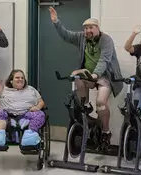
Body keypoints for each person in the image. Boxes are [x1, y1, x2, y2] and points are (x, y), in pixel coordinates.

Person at [48, 7, 124, 149]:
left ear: (97, 28)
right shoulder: (82, 37)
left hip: (105, 75)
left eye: (91, 28)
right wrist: (56, 22)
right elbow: (66, 35)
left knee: (101, 102)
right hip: (89, 75)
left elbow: (104, 60)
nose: (88, 31)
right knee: (77, 76)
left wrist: (95, 75)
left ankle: (106, 132)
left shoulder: (106, 40)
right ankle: (86, 106)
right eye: (86, 28)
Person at [0, 69, 46, 147]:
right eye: (17, 77)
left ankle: (29, 137)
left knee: (40, 114)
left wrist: (37, 107)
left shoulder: (31, 89)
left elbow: (41, 102)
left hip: (26, 114)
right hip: (6, 115)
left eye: (22, 78)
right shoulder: (3, 89)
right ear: (11, 80)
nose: (20, 79)